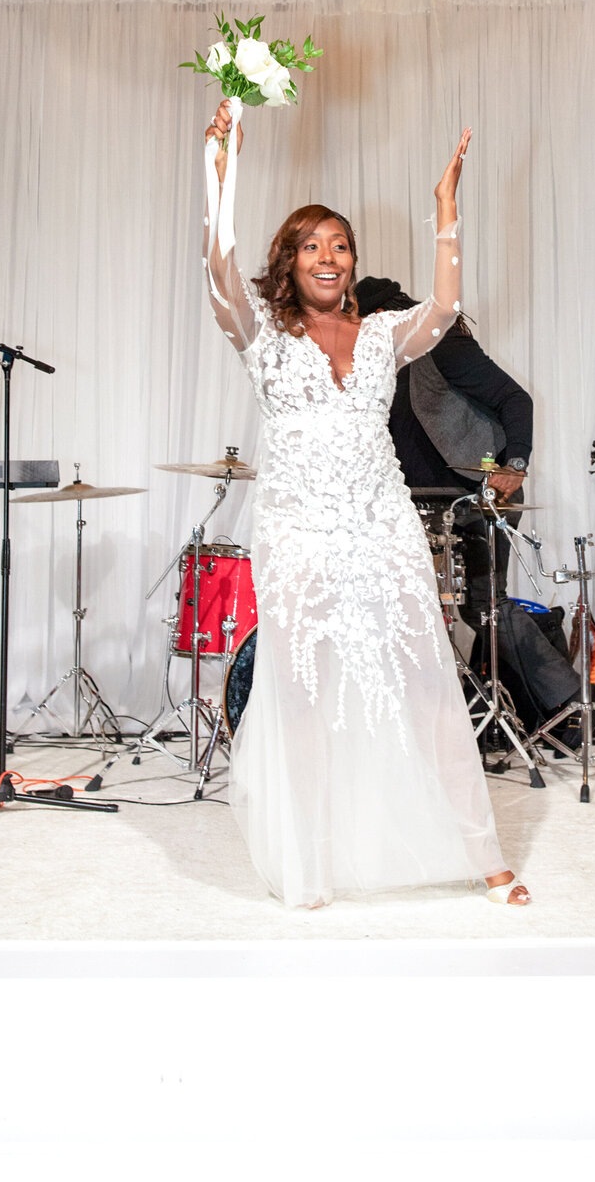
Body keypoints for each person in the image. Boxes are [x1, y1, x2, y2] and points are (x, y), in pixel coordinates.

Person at [202, 99, 529, 910]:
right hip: (299, 527)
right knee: (306, 696)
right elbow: (217, 268)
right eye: (312, 245)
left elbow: (446, 311)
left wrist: (445, 212)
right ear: (289, 261)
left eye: (340, 245)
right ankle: (309, 863)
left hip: (381, 518)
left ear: (353, 262)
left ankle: (485, 858)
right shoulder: (262, 336)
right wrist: (219, 172)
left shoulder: (384, 333)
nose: (329, 256)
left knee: (425, 683)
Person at [353, 280, 595, 737]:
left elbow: (515, 399)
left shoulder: (439, 344)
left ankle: (572, 707)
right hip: (417, 507)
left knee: (485, 607)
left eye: (366, 323)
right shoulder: (369, 371)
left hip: (476, 498)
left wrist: (516, 465)